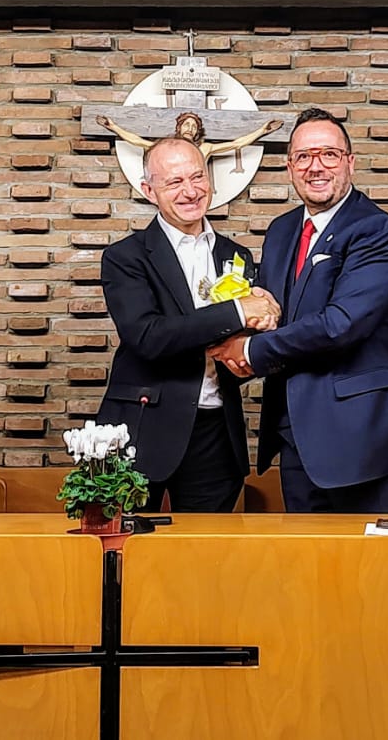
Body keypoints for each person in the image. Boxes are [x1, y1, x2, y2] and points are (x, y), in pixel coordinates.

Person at [210, 108, 388, 513]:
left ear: (350, 162)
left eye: (329, 154)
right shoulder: (281, 231)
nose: (315, 167)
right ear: (289, 167)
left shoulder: (376, 230)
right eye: (303, 156)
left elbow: (341, 324)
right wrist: (235, 329)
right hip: (298, 441)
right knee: (308, 555)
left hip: (374, 442)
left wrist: (247, 352)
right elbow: (276, 315)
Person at [98, 137, 282, 512]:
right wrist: (238, 311)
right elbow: (148, 337)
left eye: (197, 177)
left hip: (217, 435)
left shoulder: (237, 255)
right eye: (174, 182)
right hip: (143, 428)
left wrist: (259, 335)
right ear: (149, 191)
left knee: (206, 547)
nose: (190, 191)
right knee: (126, 543)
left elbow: (235, 347)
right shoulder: (125, 257)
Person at [98, 112, 282, 171]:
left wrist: (262, 131)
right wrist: (113, 127)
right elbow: (137, 141)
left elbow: (236, 144)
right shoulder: (167, 147)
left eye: (194, 126)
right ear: (179, 127)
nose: (190, 128)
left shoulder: (205, 149)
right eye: (186, 124)